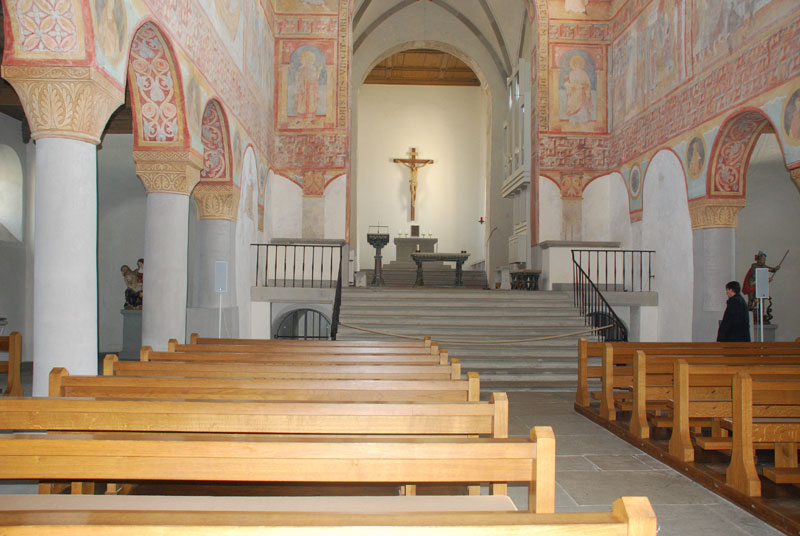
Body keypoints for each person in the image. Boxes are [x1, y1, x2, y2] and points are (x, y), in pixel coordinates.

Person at [742, 250, 779, 324]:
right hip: (752, 285)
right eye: (762, 259)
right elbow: (757, 275)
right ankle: (748, 316)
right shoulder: (754, 266)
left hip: (759, 285)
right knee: (751, 300)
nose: (763, 260)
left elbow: (770, 269)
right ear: (759, 259)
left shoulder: (763, 266)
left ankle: (760, 316)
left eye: (764, 259)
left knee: (761, 300)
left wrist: (775, 269)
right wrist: (766, 279)